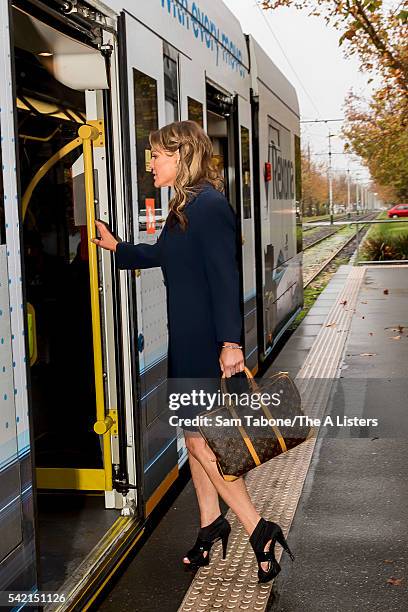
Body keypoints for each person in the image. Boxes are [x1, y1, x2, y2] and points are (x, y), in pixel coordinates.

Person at [92, 120, 294, 583]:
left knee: (205, 442)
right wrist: (118, 247)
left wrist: (230, 344)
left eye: (157, 155)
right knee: (192, 437)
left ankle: (258, 528)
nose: (150, 163)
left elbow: (226, 279)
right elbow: (165, 254)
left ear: (182, 155)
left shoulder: (209, 207)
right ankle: (209, 527)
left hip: (206, 342)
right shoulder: (184, 206)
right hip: (186, 339)